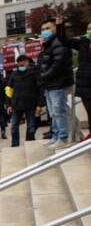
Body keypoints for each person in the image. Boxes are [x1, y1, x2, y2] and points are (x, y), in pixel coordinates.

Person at [38, 17, 74, 149]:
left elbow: (58, 64)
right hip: (51, 84)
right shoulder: (49, 44)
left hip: (59, 83)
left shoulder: (59, 42)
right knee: (53, 112)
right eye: (43, 29)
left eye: (48, 28)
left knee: (59, 111)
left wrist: (45, 76)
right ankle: (55, 135)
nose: (45, 31)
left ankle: (63, 137)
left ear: (55, 27)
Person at [56, 16, 91, 132]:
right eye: (89, 29)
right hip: (85, 85)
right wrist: (60, 25)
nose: (90, 31)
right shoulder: (83, 43)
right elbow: (64, 40)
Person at [7, 55, 42, 146]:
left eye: (24, 62)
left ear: (28, 62)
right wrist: (9, 104)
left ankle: (29, 142)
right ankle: (15, 144)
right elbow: (9, 90)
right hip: (16, 104)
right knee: (14, 126)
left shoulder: (33, 74)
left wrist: (39, 104)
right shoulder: (13, 75)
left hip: (31, 104)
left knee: (31, 126)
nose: (22, 64)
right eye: (20, 62)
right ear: (17, 63)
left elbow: (39, 90)